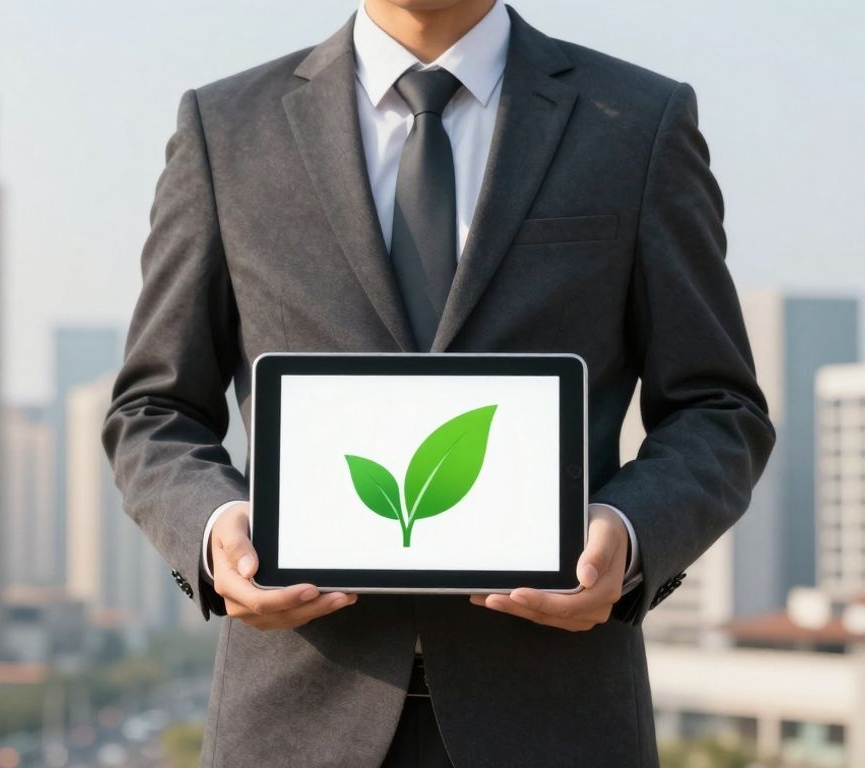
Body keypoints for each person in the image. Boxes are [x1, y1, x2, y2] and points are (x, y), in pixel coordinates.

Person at [101, 0, 775, 765]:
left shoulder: (637, 122)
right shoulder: (227, 128)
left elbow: (719, 407)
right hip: (294, 719)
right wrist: (215, 530)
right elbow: (153, 408)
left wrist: (628, 535)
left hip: (557, 717)